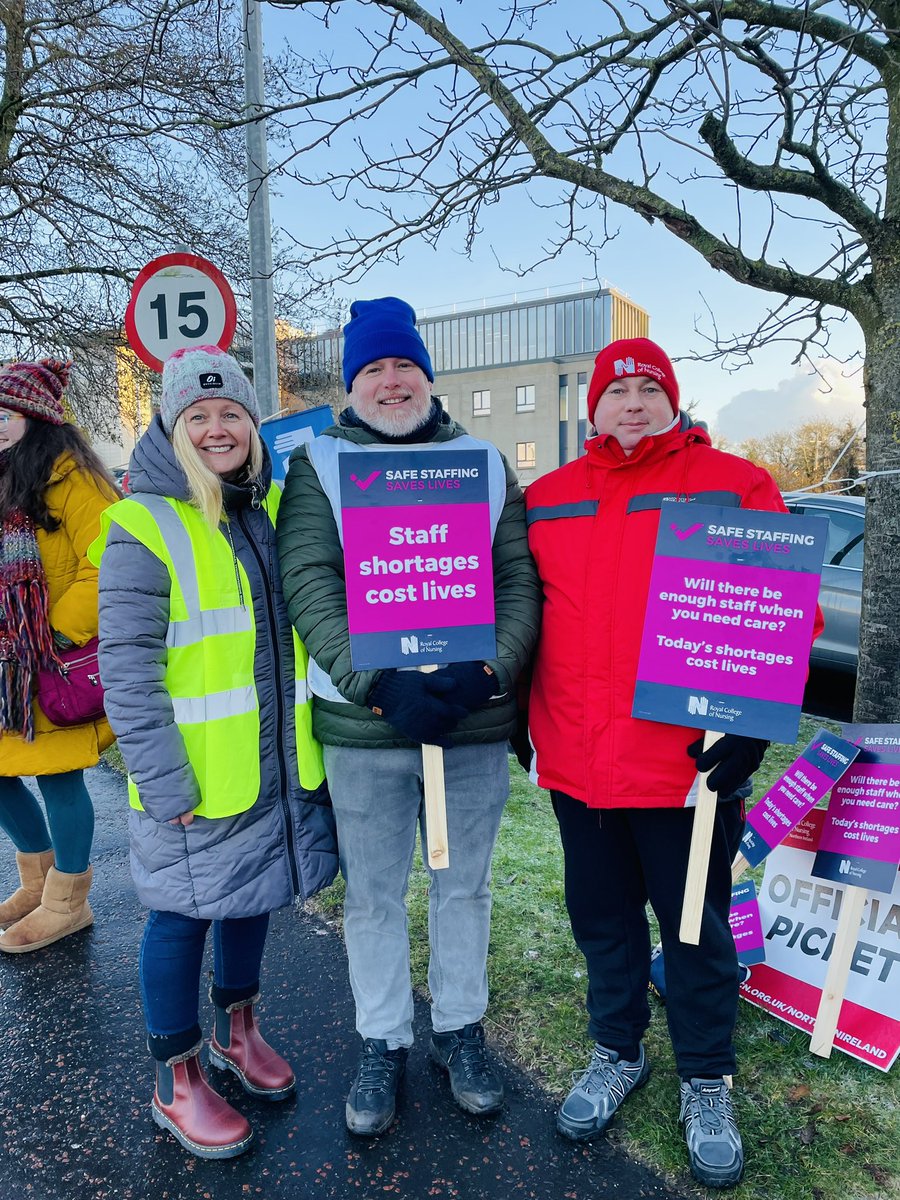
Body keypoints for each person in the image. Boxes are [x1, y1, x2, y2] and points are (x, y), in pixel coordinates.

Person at [525, 338, 822, 1189]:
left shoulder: (733, 483)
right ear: (592, 406)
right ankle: (617, 1054)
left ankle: (705, 1076)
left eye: (646, 388)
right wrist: (511, 705)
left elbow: (783, 610)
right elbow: (518, 609)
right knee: (603, 924)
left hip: (684, 774)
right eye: (614, 388)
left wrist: (754, 727)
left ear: (671, 401)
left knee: (693, 934)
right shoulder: (546, 498)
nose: (630, 401)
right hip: (579, 767)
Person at [277, 297, 540, 1136]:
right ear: (353, 384)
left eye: (404, 367)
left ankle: (460, 1031)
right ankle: (382, 1038)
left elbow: (517, 583)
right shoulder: (319, 465)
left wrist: (485, 670)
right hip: (366, 727)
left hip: (466, 726)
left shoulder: (483, 462)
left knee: (463, 888)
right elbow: (310, 582)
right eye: (373, 370)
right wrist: (377, 682)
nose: (392, 383)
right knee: (375, 896)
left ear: (428, 375)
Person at [94, 345, 338, 1160]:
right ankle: (176, 1079)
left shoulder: (262, 511)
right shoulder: (143, 523)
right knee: (176, 921)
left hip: (265, 770)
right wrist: (165, 782)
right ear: (171, 426)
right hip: (192, 780)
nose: (217, 427)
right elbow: (126, 672)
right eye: (197, 416)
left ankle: (240, 1030)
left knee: (250, 900)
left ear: (253, 425)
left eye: (231, 412)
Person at [0, 359, 117, 954]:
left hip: (49, 659)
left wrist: (52, 630)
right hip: (5, 664)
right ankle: (39, 878)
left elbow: (114, 560)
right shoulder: (1, 480)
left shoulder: (72, 477)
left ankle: (69, 901)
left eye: (6, 413)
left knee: (58, 775)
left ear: (37, 418)